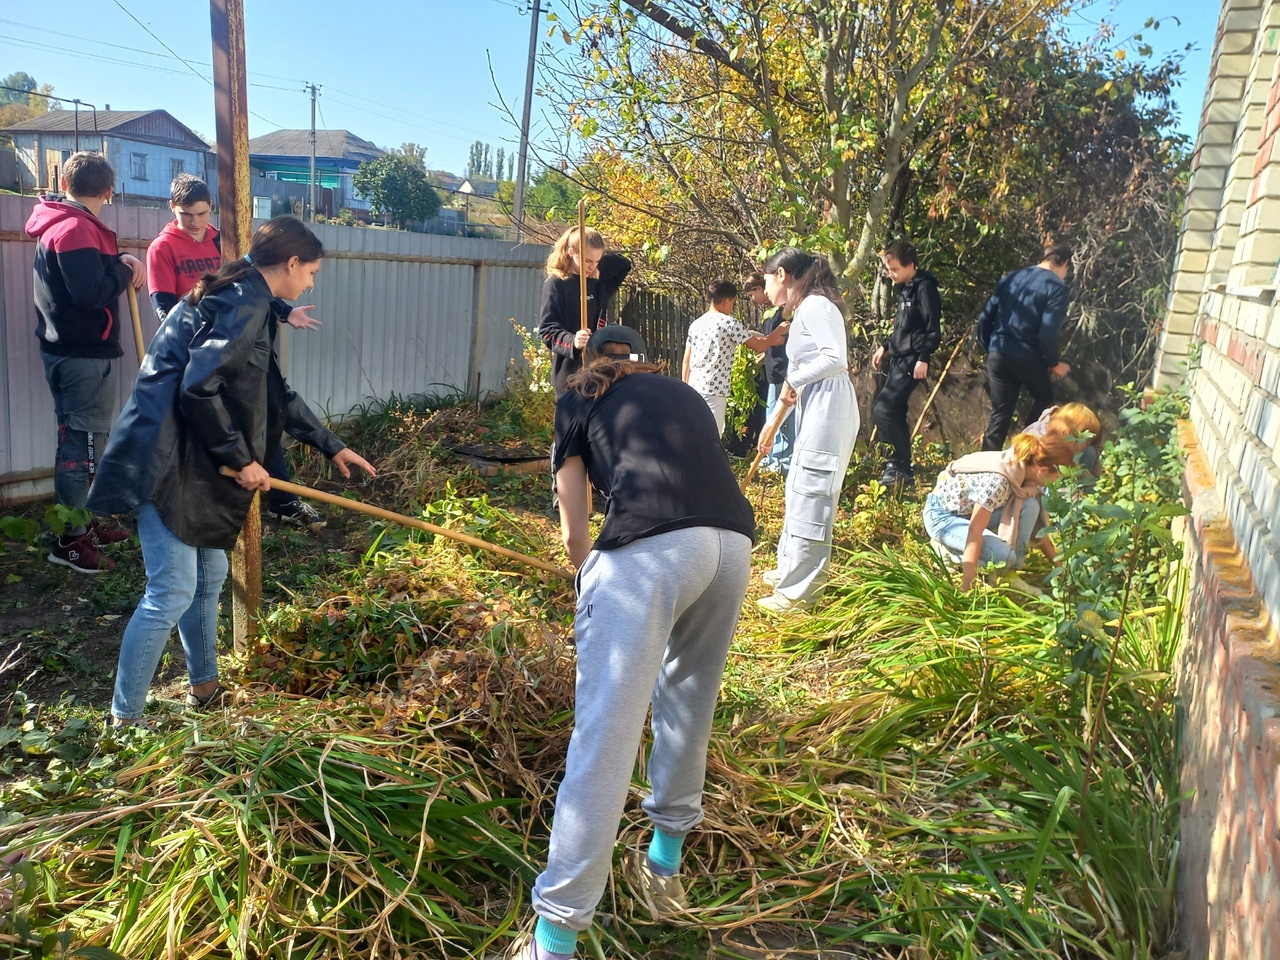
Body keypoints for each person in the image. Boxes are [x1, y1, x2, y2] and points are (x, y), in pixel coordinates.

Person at [512, 326, 754, 960]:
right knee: (687, 706)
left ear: (591, 363)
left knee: (605, 736)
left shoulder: (577, 396)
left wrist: (586, 572)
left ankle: (555, 935)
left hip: (652, 552)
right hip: (731, 547)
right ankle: (664, 870)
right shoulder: (683, 393)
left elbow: (574, 520)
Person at [86, 217, 376, 726]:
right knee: (171, 590)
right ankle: (123, 721)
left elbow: (271, 391)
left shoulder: (252, 299)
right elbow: (199, 388)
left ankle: (205, 687)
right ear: (290, 264)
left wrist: (332, 446)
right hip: (166, 455)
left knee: (209, 575)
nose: (310, 282)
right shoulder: (243, 302)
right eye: (310, 271)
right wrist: (242, 459)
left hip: (190, 450)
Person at [147, 173, 327, 530]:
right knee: (217, 424)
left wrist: (283, 312)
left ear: (211, 210)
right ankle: (215, 501)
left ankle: (279, 500)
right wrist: (197, 339)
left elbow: (258, 288)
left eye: (201, 213)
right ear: (173, 209)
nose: (196, 222)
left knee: (260, 413)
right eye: (187, 215)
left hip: (239, 342)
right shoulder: (163, 247)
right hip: (202, 353)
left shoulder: (223, 241)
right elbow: (167, 310)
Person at [27, 151, 145, 574]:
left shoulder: (62, 222)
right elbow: (89, 292)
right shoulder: (75, 228)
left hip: (67, 351)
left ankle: (83, 521)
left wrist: (118, 261)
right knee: (83, 448)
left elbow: (86, 274)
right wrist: (124, 271)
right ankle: (71, 542)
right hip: (82, 357)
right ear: (109, 191)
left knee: (79, 443)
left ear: (67, 184)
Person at [755, 248, 860, 614]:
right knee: (798, 486)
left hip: (830, 411)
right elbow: (796, 382)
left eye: (765, 279)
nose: (764, 289)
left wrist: (793, 380)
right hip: (817, 406)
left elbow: (835, 358)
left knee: (812, 493)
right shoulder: (808, 309)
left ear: (781, 275)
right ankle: (790, 568)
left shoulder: (816, 306)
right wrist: (772, 427)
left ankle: (799, 595)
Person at [922, 431, 1078, 590]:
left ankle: (1009, 572)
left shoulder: (1023, 468)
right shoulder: (1000, 480)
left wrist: (1061, 569)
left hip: (967, 513)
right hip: (943, 517)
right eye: (1059, 476)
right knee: (1002, 556)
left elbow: (1039, 533)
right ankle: (946, 550)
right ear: (1043, 471)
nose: (1058, 482)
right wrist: (967, 583)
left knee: (1030, 506)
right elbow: (975, 530)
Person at [977, 243, 1073, 451]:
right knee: (1044, 399)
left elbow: (985, 318)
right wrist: (1054, 362)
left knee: (1001, 411)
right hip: (1028, 356)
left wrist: (991, 347)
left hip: (998, 352)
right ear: (1064, 263)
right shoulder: (1057, 288)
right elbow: (1047, 332)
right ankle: (1023, 452)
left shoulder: (1012, 277)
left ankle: (984, 467)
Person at [871, 240, 941, 486]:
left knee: (883, 409)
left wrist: (924, 358)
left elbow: (932, 329)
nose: (891, 274)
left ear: (911, 265)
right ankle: (903, 469)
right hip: (898, 357)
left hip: (913, 359)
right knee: (896, 412)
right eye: (889, 269)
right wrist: (886, 346)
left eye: (895, 269)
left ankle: (897, 464)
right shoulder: (904, 288)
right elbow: (904, 328)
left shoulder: (925, 289)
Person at [681, 279, 787, 435]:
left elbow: (686, 360)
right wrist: (778, 332)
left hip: (694, 386)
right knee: (712, 436)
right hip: (715, 389)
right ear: (726, 301)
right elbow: (759, 346)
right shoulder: (729, 323)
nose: (732, 307)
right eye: (733, 303)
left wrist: (685, 387)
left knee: (693, 433)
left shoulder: (696, 324)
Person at [538, 225, 632, 397]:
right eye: (587, 261)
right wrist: (573, 341)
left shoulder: (599, 282)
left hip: (599, 371)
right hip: (570, 373)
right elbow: (547, 330)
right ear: (571, 252)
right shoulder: (557, 283)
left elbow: (624, 264)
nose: (591, 266)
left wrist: (598, 266)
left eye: (597, 261)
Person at [743, 273, 793, 474]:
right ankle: (772, 456)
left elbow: (782, 339)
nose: (751, 299)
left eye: (751, 294)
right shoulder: (769, 314)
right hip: (772, 370)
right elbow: (770, 340)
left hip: (783, 371)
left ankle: (782, 461)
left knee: (781, 418)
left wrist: (763, 341)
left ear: (760, 288)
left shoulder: (783, 313)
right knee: (771, 416)